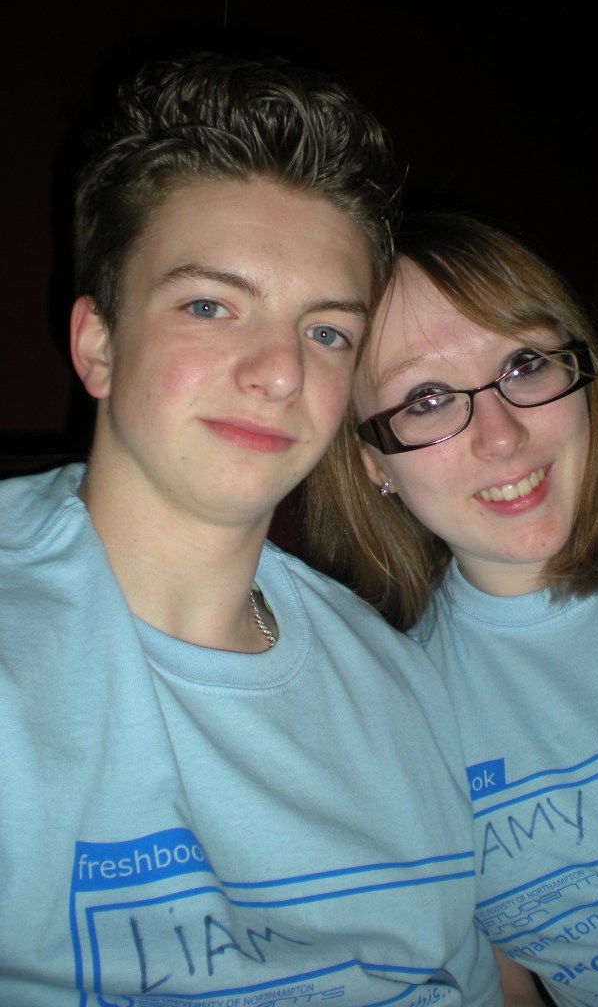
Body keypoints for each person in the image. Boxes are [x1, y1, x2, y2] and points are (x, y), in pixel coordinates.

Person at [0, 58, 504, 1007]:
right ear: (98, 344)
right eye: (209, 306)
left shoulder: (403, 685)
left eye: (326, 332)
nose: (279, 372)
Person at [304, 211, 598, 1006]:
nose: (501, 435)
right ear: (371, 460)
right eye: (427, 398)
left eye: (523, 364)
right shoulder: (395, 708)